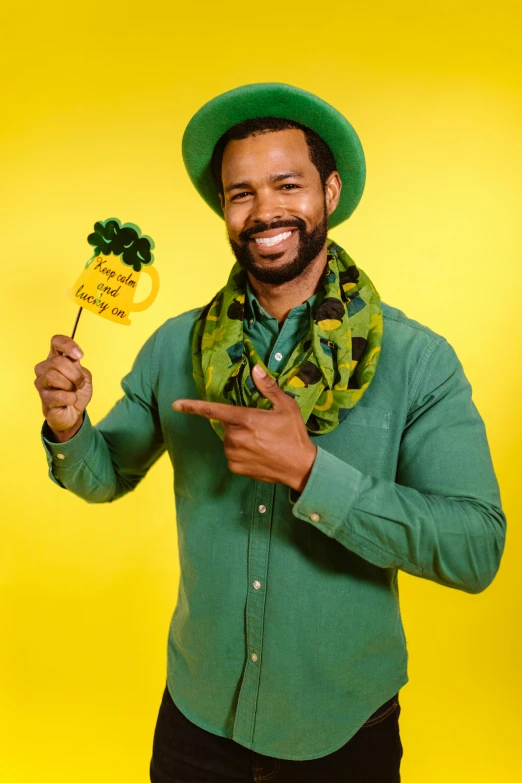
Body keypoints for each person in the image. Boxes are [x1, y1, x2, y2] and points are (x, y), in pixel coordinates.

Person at [34, 83, 506, 783]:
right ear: (224, 208)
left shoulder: (417, 360)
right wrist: (68, 423)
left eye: (288, 183)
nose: (265, 210)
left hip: (344, 732)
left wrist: (313, 472)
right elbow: (104, 474)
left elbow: (476, 549)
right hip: (196, 723)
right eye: (241, 192)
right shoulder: (175, 347)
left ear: (331, 191)